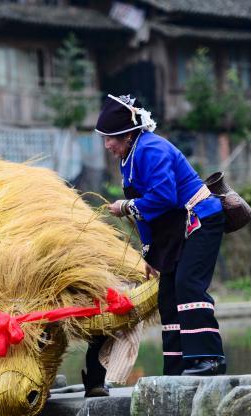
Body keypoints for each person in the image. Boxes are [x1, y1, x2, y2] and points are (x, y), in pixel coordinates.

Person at [99, 94, 226, 376]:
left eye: (112, 138)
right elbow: (145, 214)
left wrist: (126, 206)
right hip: (174, 230)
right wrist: (150, 253)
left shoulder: (152, 149)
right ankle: (177, 365)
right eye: (105, 138)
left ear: (129, 135)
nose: (108, 145)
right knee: (167, 295)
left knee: (188, 284)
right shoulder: (127, 159)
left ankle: (210, 359)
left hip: (201, 218)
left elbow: (164, 198)